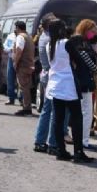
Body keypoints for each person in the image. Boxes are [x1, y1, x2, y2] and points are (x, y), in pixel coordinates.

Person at [46, 19, 94, 163]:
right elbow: (79, 61)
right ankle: (78, 152)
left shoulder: (50, 45)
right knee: (76, 118)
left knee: (58, 119)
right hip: (69, 84)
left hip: (55, 84)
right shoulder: (67, 43)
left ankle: (61, 150)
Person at [73, 19, 97, 150]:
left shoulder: (83, 43)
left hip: (83, 80)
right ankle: (83, 140)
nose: (94, 34)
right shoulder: (81, 44)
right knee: (86, 113)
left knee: (84, 113)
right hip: (83, 81)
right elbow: (91, 64)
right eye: (93, 31)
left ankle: (82, 139)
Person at [34, 14, 57, 154]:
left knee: (47, 110)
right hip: (51, 76)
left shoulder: (43, 36)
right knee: (54, 111)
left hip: (46, 74)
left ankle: (40, 141)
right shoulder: (49, 39)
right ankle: (52, 142)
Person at [12, 21, 36, 116]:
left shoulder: (20, 37)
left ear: (18, 28)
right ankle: (26, 106)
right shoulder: (29, 37)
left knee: (24, 87)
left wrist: (15, 62)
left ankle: (26, 108)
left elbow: (19, 50)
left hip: (23, 65)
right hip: (29, 65)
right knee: (26, 86)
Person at [3, 28, 18, 106]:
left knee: (20, 80)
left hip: (20, 60)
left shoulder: (23, 37)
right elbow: (5, 47)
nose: (16, 30)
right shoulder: (10, 36)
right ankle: (11, 98)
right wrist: (11, 49)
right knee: (10, 78)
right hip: (11, 59)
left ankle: (21, 99)